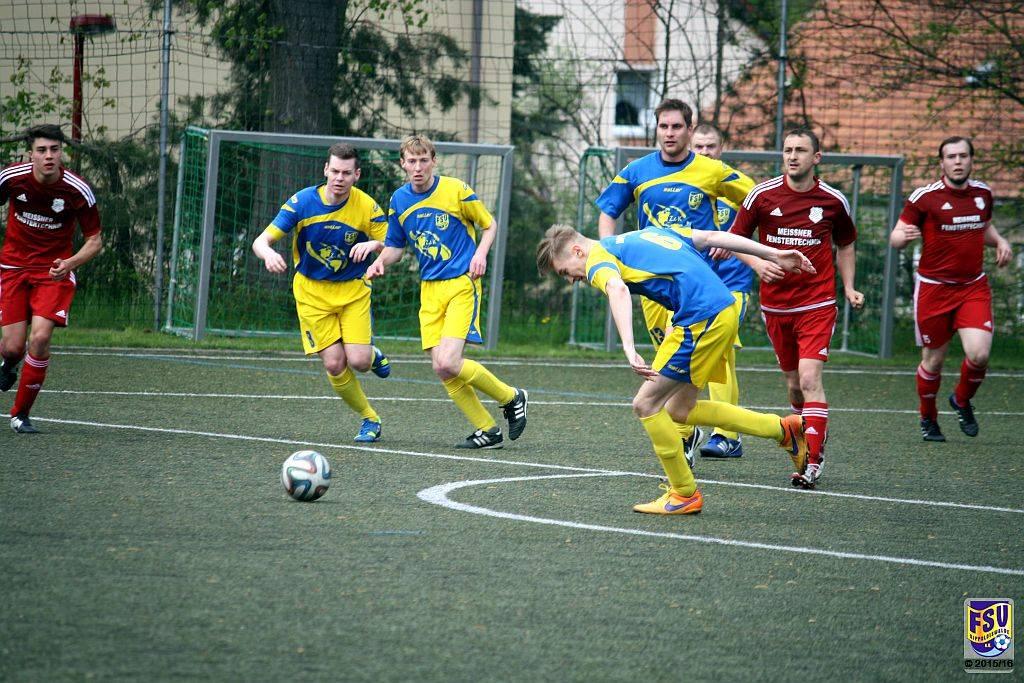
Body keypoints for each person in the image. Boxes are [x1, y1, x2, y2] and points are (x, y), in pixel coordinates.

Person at [536, 223, 813, 514]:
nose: (571, 280)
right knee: (680, 410)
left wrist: (629, 348)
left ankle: (684, 493)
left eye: (565, 272)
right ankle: (783, 430)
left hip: (702, 317)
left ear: (577, 251)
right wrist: (774, 254)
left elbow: (616, 288)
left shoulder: (597, 257)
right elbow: (713, 237)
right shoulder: (646, 235)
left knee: (645, 404)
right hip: (721, 310)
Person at [595, 99, 755, 463]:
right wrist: (608, 252)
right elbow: (608, 210)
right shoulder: (636, 170)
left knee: (700, 358)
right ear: (656, 129)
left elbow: (755, 200)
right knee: (671, 361)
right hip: (653, 287)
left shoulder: (711, 170)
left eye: (677, 127)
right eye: (664, 126)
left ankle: (702, 435)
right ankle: (690, 428)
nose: (670, 133)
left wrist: (736, 237)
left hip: (696, 287)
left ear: (689, 129)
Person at [366, 134, 527, 449]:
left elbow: (489, 224)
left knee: (450, 361)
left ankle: (511, 397)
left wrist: (480, 255)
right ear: (402, 164)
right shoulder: (398, 200)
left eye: (423, 160)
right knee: (442, 368)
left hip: (461, 283)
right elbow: (395, 247)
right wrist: (379, 262)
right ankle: (487, 430)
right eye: (411, 161)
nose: (418, 167)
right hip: (429, 290)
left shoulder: (456, 189)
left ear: (433, 161)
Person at [729, 128, 864, 488]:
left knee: (809, 379)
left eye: (801, 150)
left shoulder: (833, 201)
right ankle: (807, 436)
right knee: (793, 387)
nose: (792, 156)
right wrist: (758, 264)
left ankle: (811, 461)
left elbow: (846, 244)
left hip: (817, 302)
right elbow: (734, 240)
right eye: (788, 149)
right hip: (776, 306)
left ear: (816, 157)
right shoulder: (762, 195)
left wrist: (849, 287)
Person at [252, 143, 391, 443]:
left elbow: (393, 244)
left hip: (353, 291)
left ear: (356, 175)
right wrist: (268, 254)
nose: (339, 178)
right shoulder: (302, 202)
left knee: (359, 361)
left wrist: (375, 245)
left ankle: (371, 355)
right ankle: (370, 418)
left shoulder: (367, 206)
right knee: (334, 363)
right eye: (335, 171)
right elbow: (260, 241)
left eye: (346, 173)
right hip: (312, 295)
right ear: (326, 170)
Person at [889, 136, 1013, 442]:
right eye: (951, 157)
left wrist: (1000, 241)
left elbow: (984, 226)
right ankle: (928, 418)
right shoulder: (925, 197)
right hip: (934, 290)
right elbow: (896, 236)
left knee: (979, 355)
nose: (957, 162)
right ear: (941, 163)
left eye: (963, 156)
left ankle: (960, 399)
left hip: (972, 287)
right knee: (933, 361)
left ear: (971, 160)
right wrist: (903, 238)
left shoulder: (983, 193)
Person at [0, 124, 103, 433]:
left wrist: (69, 263)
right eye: (42, 150)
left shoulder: (76, 189)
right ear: (30, 154)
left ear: (61, 153)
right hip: (13, 268)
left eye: (54, 150)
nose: (48, 156)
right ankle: (9, 363)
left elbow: (95, 241)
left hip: (53, 272)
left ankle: (20, 414)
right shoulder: (11, 178)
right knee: (12, 347)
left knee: (40, 338)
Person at [689, 123, 756, 459]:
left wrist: (735, 239)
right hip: (696, 285)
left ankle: (726, 434)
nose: (705, 152)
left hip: (733, 285)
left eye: (710, 146)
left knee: (721, 353)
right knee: (709, 355)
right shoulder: (686, 183)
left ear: (722, 148)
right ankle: (702, 428)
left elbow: (764, 212)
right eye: (699, 147)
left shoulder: (736, 184)